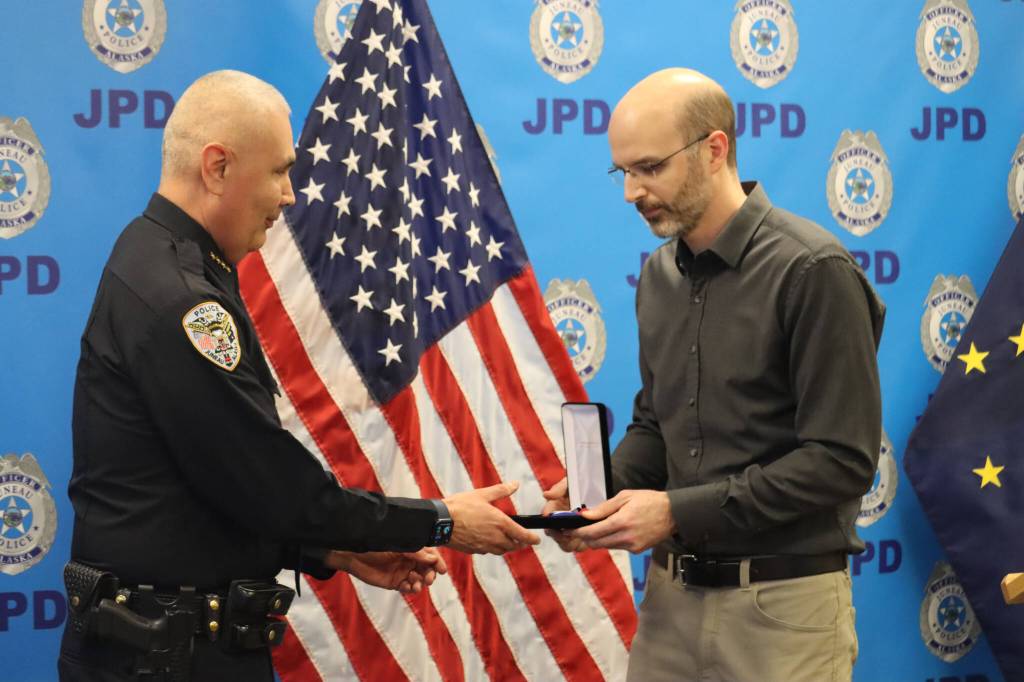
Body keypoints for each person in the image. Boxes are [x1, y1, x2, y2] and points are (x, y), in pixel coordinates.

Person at [60, 70, 539, 682]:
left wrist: (332, 549)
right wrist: (440, 520)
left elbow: (208, 486)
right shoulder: (183, 301)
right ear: (217, 168)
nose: (289, 196)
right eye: (279, 171)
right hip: (170, 661)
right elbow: (272, 485)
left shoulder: (157, 255)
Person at [542, 68, 884, 682]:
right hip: (669, 609)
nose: (632, 192)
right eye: (623, 172)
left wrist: (675, 512)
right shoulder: (657, 277)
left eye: (649, 167)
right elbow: (656, 423)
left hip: (783, 616)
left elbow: (841, 460)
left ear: (715, 149)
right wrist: (600, 493)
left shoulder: (813, 270)